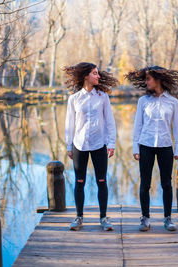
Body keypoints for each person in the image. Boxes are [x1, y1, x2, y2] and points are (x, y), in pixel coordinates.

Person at [125, 66, 178, 232]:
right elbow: (138, 126)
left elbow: (177, 127)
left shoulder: (173, 102)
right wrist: (135, 147)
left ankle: (168, 218)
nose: (146, 82)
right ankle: (145, 218)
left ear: (158, 80)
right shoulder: (143, 101)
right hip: (146, 145)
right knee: (145, 184)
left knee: (166, 184)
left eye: (148, 79)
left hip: (165, 146)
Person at [63, 62, 118, 231]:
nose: (98, 76)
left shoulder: (103, 97)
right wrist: (69, 145)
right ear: (86, 76)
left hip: (99, 145)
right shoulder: (74, 99)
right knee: (79, 182)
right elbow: (69, 124)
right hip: (79, 145)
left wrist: (111, 143)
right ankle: (79, 217)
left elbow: (110, 122)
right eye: (95, 73)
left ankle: (103, 218)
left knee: (102, 181)